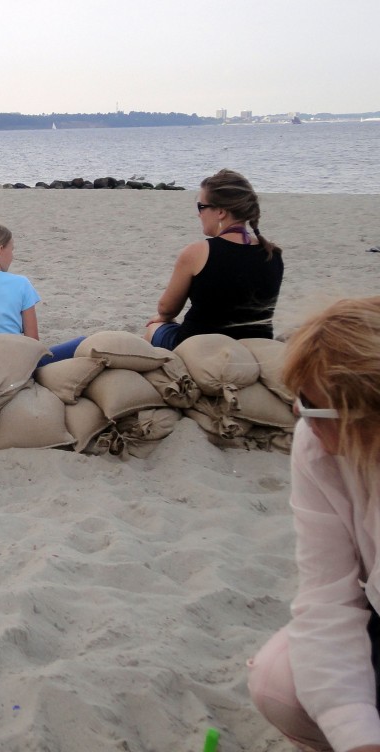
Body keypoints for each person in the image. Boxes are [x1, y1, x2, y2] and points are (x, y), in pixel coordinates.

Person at [247, 297, 380, 752]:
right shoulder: (319, 448)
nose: (301, 417)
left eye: (316, 408)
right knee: (276, 681)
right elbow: (326, 600)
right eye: (299, 400)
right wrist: (357, 737)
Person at [144, 168, 284, 350]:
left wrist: (163, 319)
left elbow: (167, 308)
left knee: (154, 329)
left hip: (199, 345)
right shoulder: (272, 253)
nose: (198, 214)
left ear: (221, 212)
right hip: (255, 346)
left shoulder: (197, 252)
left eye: (201, 207)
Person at [0, 221, 83, 364]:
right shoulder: (21, 284)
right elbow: (32, 341)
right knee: (81, 342)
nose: (12, 256)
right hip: (13, 364)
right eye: (11, 250)